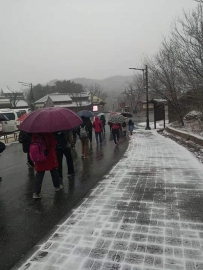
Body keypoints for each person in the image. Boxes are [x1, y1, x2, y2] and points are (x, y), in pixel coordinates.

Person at [31, 133, 62, 199]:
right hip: (49, 155)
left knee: (39, 173)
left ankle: (36, 192)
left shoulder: (35, 134)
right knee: (53, 170)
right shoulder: (48, 132)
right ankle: (57, 186)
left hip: (39, 155)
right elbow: (53, 142)